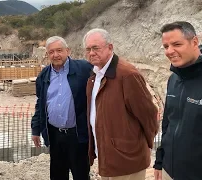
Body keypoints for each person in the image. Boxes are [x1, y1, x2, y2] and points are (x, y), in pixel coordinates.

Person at [84, 28, 158, 180]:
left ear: (110, 48)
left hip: (127, 160)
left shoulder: (127, 75)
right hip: (108, 157)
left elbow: (148, 114)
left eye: (96, 48)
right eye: (88, 49)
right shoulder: (95, 75)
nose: (91, 53)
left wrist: (140, 146)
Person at [31, 36, 92, 180]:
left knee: (81, 174)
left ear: (68, 51)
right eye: (51, 52)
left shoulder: (84, 68)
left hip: (77, 134)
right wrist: (36, 129)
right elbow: (40, 103)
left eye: (59, 50)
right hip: (55, 135)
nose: (55, 55)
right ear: (47, 54)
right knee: (58, 174)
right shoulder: (43, 75)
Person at [153, 21, 202, 180]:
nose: (170, 51)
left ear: (194, 42)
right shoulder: (173, 79)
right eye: (166, 46)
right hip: (169, 170)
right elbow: (167, 122)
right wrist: (160, 162)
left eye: (176, 44)